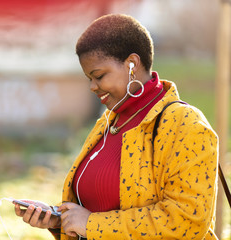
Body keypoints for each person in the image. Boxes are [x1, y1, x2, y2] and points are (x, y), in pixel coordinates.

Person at [14, 14, 219, 240]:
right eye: (89, 78)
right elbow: (94, 211)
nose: (93, 86)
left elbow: (187, 221)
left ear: (132, 63)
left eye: (99, 76)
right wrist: (60, 220)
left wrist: (92, 224)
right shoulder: (108, 122)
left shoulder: (185, 124)